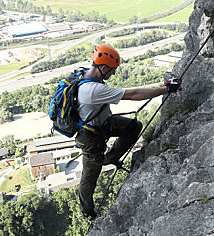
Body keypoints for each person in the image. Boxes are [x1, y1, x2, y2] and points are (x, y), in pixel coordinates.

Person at [76, 44, 181, 220]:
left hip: (103, 125)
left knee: (133, 127)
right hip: (90, 137)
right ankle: (87, 211)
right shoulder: (92, 90)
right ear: (102, 68)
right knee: (89, 178)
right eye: (112, 70)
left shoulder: (86, 74)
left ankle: (110, 158)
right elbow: (132, 94)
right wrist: (165, 89)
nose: (114, 74)